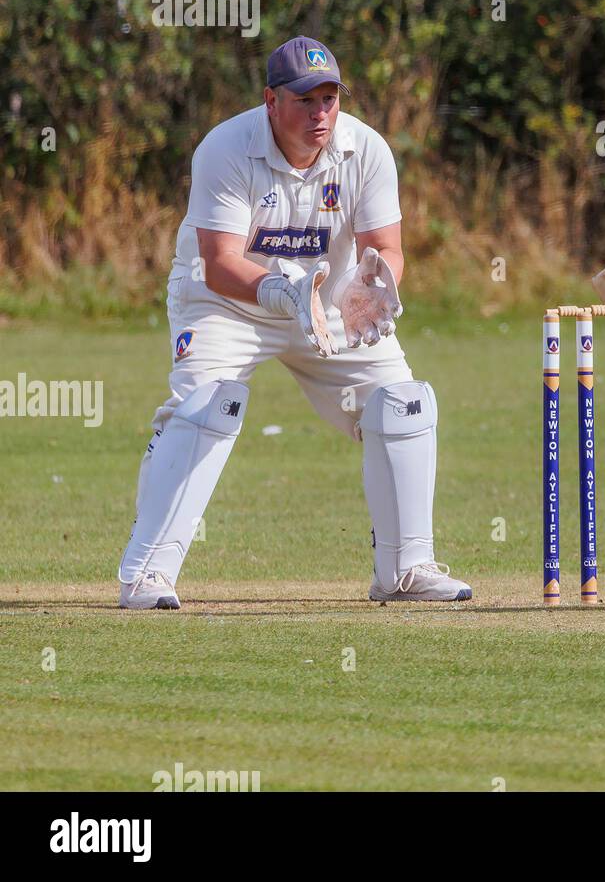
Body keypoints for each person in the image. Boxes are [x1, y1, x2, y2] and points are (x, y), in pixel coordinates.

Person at [116, 35, 470, 608]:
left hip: (331, 308)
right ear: (270, 101)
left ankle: (404, 571)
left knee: (404, 404)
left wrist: (376, 284)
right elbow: (221, 260)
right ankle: (146, 574)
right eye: (305, 100)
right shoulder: (226, 147)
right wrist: (279, 292)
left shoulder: (368, 150)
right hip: (226, 303)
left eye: (329, 98)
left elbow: (387, 247)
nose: (320, 113)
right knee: (207, 407)